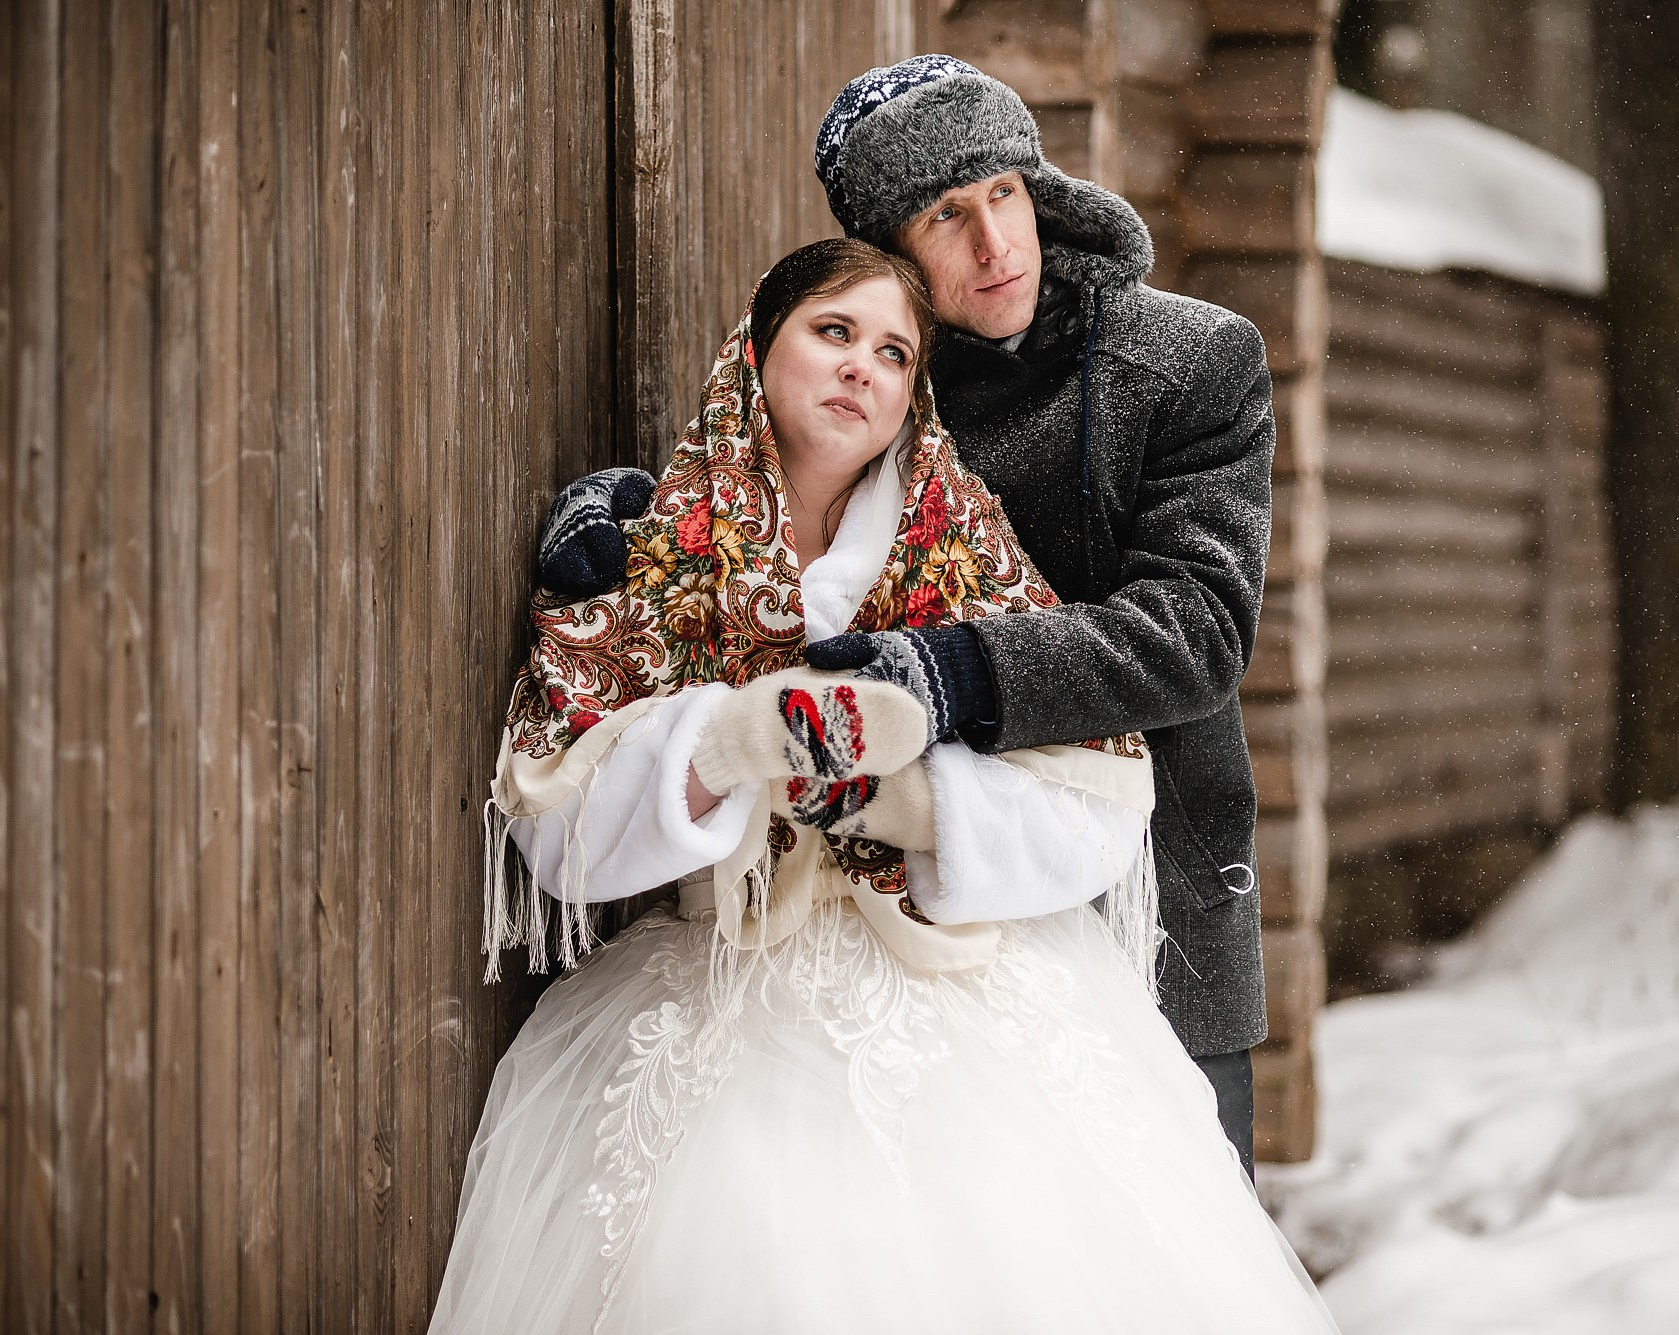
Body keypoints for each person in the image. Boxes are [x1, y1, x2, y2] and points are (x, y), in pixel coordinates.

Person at [430, 239, 1335, 1333]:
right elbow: (554, 824)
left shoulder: (960, 550)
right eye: (833, 332)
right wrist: (717, 750)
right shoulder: (652, 558)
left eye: (895, 352)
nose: (863, 366)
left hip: (965, 995)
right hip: (725, 979)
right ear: (756, 349)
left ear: (914, 395)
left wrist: (906, 807)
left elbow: (1104, 795)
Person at [538, 56, 1277, 1174]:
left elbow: (1196, 630)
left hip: (1146, 872)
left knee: (1166, 1227)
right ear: (895, 254)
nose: (994, 244)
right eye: (946, 213)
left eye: (1005, 194)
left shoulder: (1188, 363)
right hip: (913, 924)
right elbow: (779, 483)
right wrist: (634, 512)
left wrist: (945, 674)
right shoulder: (892, 371)